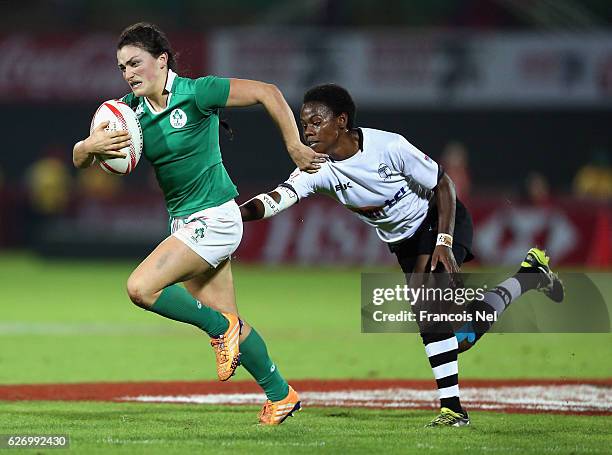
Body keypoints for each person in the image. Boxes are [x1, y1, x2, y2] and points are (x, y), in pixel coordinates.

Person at [240, 84, 564, 427]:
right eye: (304, 124)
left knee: (429, 314)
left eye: (316, 122)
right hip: (406, 246)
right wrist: (234, 215)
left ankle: (453, 409)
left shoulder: (388, 146)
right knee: (458, 337)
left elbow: (444, 185)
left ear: (342, 121)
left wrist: (443, 240)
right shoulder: (315, 168)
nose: (307, 130)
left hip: (439, 221)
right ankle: (528, 277)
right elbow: (276, 199)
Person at [72, 23, 327, 426]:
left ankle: (218, 327)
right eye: (122, 67)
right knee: (233, 324)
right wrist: (89, 147)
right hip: (184, 224)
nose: (129, 73)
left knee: (141, 287)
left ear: (162, 60)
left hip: (216, 217)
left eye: (136, 63)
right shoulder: (127, 114)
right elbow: (80, 158)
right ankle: (282, 395)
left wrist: (294, 145)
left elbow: (268, 92)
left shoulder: (198, 93)